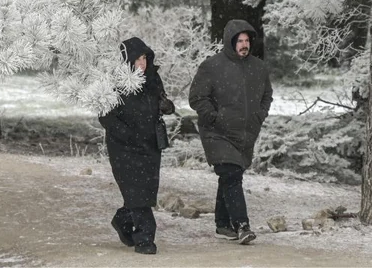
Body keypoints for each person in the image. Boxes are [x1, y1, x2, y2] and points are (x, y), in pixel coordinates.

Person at [188, 19, 272, 245]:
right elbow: (197, 97)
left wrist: (258, 116)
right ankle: (242, 225)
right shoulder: (212, 66)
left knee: (230, 176)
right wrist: (215, 117)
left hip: (245, 134)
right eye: (240, 41)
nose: (244, 45)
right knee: (232, 175)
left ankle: (223, 224)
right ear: (230, 42)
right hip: (217, 133)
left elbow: (267, 96)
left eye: (247, 41)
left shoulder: (258, 68)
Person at [98, 36, 175, 255]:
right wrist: (127, 134)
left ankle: (123, 220)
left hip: (150, 144)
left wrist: (166, 106)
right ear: (127, 60)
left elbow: (160, 101)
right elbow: (105, 115)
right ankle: (145, 239)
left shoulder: (153, 78)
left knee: (145, 191)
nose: (142, 63)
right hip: (123, 146)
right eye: (137, 59)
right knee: (135, 190)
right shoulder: (114, 82)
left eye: (144, 58)